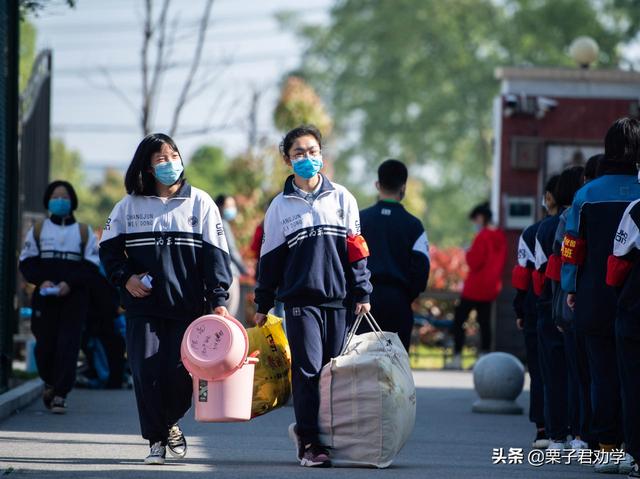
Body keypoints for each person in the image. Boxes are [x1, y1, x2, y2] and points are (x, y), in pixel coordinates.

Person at [100, 133, 232, 465]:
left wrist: (219, 300)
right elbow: (109, 252)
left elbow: (217, 257)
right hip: (143, 308)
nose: (170, 163)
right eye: (161, 159)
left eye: (173, 155)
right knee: (145, 372)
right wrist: (126, 278)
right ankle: (156, 441)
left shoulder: (200, 203)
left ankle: (170, 421)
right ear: (147, 166)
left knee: (180, 377)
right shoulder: (127, 206)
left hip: (188, 309)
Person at [251, 125, 372, 468]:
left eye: (313, 151)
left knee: (334, 373)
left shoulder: (343, 198)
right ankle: (309, 442)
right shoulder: (279, 207)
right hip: (300, 303)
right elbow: (270, 261)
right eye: (299, 153)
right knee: (307, 372)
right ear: (287, 160)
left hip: (340, 301)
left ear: (322, 155)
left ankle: (329, 437)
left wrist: (362, 291)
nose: (307, 158)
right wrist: (263, 304)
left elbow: (357, 250)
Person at [561, 118, 640, 473]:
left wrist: (570, 288)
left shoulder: (586, 195)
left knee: (602, 374)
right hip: (635, 299)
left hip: (593, 297)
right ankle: (631, 450)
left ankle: (606, 448)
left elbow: (571, 248)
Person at [18, 180, 100, 414]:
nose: (61, 200)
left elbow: (91, 265)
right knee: (44, 345)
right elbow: (27, 261)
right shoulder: (38, 230)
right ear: (48, 200)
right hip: (45, 297)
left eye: (65, 196)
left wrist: (69, 283)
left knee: (68, 344)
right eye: (56, 196)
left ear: (72, 201)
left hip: (74, 298)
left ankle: (60, 394)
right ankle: (50, 383)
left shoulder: (83, 232)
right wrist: (41, 280)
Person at [359, 159, 430, 351]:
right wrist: (407, 295)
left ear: (377, 185)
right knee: (395, 367)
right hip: (398, 301)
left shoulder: (359, 219)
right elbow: (422, 269)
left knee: (362, 364)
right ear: (404, 187)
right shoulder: (414, 225)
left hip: (364, 301)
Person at [445, 202, 506, 369]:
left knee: (459, 320)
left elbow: (474, 261)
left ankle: (457, 358)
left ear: (480, 218)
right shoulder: (500, 236)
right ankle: (483, 358)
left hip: (475, 287)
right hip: (491, 287)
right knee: (485, 323)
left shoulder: (482, 236)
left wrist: (468, 251)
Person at [607, 198, 640, 479]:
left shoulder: (637, 208)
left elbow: (618, 263)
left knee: (633, 384)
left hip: (635, 310)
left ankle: (635, 453)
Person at [512, 215, 548, 449]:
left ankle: (544, 429)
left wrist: (520, 311)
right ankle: (580, 434)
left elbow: (522, 276)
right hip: (576, 307)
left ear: (548, 198)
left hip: (537, 309)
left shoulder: (534, 232)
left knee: (539, 371)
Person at [215, 194, 248, 320]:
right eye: (228, 206)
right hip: (230, 274)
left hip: (219, 274)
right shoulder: (223, 224)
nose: (232, 209)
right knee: (231, 315)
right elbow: (232, 251)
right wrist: (245, 270)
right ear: (220, 206)